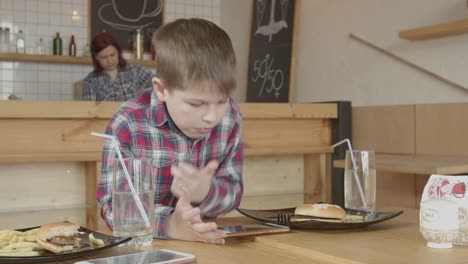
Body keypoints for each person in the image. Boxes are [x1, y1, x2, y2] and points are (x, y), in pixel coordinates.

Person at [96, 18, 243, 245]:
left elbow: (233, 192)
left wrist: (207, 191)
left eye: (221, 100)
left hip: (208, 245)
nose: (212, 117)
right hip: (143, 250)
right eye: (196, 104)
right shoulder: (128, 124)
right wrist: (169, 224)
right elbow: (112, 209)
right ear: (162, 89)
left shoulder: (231, 116)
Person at [82, 32, 154, 101]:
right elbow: (89, 110)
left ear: (118, 52)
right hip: (107, 114)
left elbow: (159, 87)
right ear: (96, 57)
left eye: (112, 55)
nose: (110, 61)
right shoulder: (90, 81)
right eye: (104, 57)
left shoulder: (135, 70)